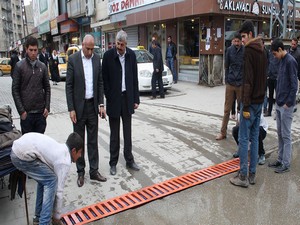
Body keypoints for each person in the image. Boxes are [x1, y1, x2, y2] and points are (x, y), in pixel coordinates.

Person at [10, 132, 83, 225]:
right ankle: (44, 222)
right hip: (21, 155)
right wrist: (56, 217)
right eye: (80, 152)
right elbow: (59, 192)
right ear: (73, 151)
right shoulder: (64, 161)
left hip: (20, 147)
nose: (80, 156)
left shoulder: (61, 148)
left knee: (45, 179)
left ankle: (38, 218)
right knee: (52, 181)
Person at [229, 20, 267, 188]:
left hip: (250, 103)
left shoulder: (248, 52)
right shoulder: (263, 51)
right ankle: (252, 174)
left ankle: (243, 176)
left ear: (250, 34)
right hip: (260, 102)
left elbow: (247, 82)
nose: (242, 40)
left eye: (243, 36)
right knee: (254, 137)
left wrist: (243, 106)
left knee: (244, 139)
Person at [66, 34, 107, 187]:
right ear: (82, 45)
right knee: (79, 141)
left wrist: (101, 104)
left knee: (93, 140)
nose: (90, 52)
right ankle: (81, 172)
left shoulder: (96, 59)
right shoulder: (73, 60)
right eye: (87, 48)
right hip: (78, 108)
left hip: (92, 106)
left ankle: (94, 171)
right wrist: (71, 108)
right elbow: (68, 86)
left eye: (92, 49)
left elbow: (100, 83)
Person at [102, 30, 140, 176]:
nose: (119, 47)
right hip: (114, 100)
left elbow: (134, 78)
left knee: (127, 132)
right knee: (114, 134)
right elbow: (104, 79)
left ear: (126, 44)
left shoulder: (131, 56)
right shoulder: (108, 56)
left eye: (122, 45)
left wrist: (136, 99)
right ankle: (113, 163)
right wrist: (108, 96)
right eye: (117, 44)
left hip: (127, 99)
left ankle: (129, 160)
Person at [268, 38, 298, 173]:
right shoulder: (281, 61)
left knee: (286, 135)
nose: (274, 56)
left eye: (275, 54)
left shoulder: (291, 61)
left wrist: (288, 103)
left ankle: (285, 163)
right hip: (279, 102)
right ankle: (280, 159)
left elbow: (294, 85)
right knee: (280, 134)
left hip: (286, 105)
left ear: (280, 50)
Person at [12, 36, 50, 135]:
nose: (33, 53)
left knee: (40, 145)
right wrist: (21, 111)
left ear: (38, 49)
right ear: (26, 49)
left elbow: (47, 88)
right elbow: (15, 90)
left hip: (40, 114)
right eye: (31, 50)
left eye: (35, 50)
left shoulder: (42, 66)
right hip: (26, 114)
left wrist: (47, 107)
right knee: (28, 147)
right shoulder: (19, 66)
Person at [216, 32, 244, 141]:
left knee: (240, 110)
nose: (236, 43)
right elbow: (226, 66)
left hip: (241, 84)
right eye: (235, 41)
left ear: (241, 41)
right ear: (232, 41)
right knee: (227, 109)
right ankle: (223, 132)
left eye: (238, 41)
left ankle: (240, 132)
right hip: (230, 83)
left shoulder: (245, 51)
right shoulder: (229, 50)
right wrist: (227, 80)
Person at [265, 37, 279, 117]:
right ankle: (269, 111)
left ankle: (277, 113)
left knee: (277, 96)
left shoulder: (277, 53)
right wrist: (267, 74)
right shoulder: (269, 52)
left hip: (277, 78)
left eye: (272, 43)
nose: (271, 44)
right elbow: (268, 63)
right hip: (270, 77)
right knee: (270, 96)